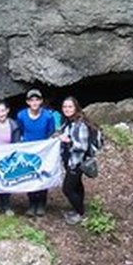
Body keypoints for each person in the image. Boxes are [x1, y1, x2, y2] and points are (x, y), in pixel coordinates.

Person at [17, 88, 57, 217]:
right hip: (28, 149)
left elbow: (50, 132)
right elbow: (21, 130)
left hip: (43, 150)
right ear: (27, 102)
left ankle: (41, 204)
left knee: (42, 175)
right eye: (31, 100)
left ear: (41, 101)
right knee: (30, 175)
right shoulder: (21, 115)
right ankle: (32, 203)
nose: (34, 102)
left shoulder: (48, 116)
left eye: (37, 100)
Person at [58, 96, 92, 225]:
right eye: (65, 107)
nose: (67, 109)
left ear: (76, 107)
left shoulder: (80, 124)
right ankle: (77, 210)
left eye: (70, 107)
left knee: (67, 189)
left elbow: (82, 146)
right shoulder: (68, 122)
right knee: (77, 185)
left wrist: (68, 141)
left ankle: (81, 212)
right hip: (69, 160)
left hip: (76, 162)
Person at [0, 100, 21, 215]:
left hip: (8, 157)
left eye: (3, 111)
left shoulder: (14, 125)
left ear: (7, 110)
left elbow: (16, 142)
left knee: (6, 179)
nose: (1, 114)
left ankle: (5, 204)